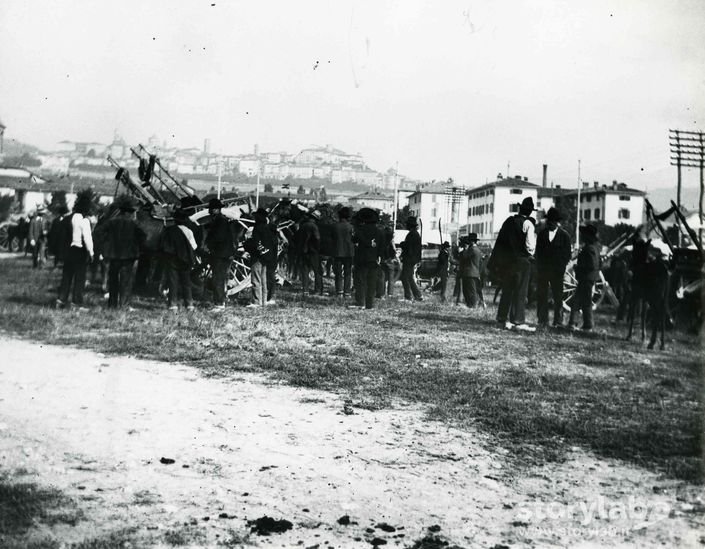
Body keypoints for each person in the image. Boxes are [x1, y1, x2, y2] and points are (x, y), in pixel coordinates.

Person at [488, 196, 536, 331]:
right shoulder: (528, 224)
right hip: (522, 262)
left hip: (508, 261)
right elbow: (530, 246)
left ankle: (501, 319)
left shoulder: (508, 222)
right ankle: (517, 320)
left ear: (520, 208)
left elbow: (500, 243)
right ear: (530, 212)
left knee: (507, 290)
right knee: (520, 291)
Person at [95, 195, 146, 309]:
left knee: (113, 280)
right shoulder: (134, 223)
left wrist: (106, 243)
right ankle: (124, 305)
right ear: (129, 212)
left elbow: (98, 232)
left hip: (113, 255)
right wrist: (137, 246)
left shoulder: (112, 222)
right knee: (126, 281)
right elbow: (143, 236)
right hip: (129, 256)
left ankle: (112, 305)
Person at [535, 207, 572, 327]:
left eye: (553, 221)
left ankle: (558, 321)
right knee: (542, 295)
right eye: (549, 221)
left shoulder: (565, 236)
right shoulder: (542, 235)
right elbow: (538, 253)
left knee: (558, 296)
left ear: (557, 222)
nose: (550, 223)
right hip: (543, 271)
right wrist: (539, 267)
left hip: (557, 272)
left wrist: (561, 266)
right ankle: (542, 320)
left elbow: (567, 255)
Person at [57, 193, 94, 309]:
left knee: (66, 276)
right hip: (80, 251)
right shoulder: (85, 220)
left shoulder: (68, 218)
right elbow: (87, 238)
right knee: (79, 278)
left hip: (69, 251)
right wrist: (91, 252)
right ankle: (76, 303)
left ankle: (60, 300)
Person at [159, 208, 197, 311]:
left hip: (172, 260)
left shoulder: (169, 230)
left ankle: (173, 305)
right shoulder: (188, 231)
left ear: (174, 220)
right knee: (186, 283)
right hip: (185, 261)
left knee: (173, 282)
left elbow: (163, 246)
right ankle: (189, 305)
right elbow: (194, 246)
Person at [205, 198, 236, 310]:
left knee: (218, 278)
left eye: (211, 209)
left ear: (216, 210)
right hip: (225, 254)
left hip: (220, 254)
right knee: (221, 278)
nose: (210, 211)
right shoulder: (221, 220)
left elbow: (218, 237)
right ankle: (220, 301)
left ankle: (219, 303)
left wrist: (209, 245)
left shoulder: (219, 221)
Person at [568, 224, 601, 332]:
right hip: (588, 278)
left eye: (583, 235)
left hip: (586, 278)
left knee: (583, 301)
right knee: (579, 301)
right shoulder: (594, 248)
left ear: (588, 236)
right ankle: (575, 323)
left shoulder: (590, 248)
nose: (582, 236)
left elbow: (591, 265)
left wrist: (578, 267)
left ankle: (586, 325)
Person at [352, 208, 385, 309]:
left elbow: (353, 239)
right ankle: (369, 304)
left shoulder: (359, 230)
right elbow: (382, 247)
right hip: (374, 260)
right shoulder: (380, 232)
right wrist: (379, 257)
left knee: (361, 281)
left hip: (361, 259)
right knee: (372, 282)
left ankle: (361, 302)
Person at [244, 208, 277, 307]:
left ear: (259, 217)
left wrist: (247, 245)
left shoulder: (257, 228)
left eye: (256, 216)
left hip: (257, 257)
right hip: (266, 257)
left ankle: (256, 301)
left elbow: (257, 243)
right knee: (263, 280)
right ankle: (263, 301)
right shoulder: (267, 228)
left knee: (255, 280)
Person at [298, 210, 323, 296]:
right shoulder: (314, 226)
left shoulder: (303, 226)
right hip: (313, 251)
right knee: (317, 271)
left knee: (305, 270)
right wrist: (318, 248)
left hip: (304, 251)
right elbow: (317, 238)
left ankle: (305, 290)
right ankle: (318, 290)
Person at [332, 206, 354, 298]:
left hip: (337, 251)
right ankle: (347, 292)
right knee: (348, 272)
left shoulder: (335, 226)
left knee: (338, 272)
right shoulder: (351, 227)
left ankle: (339, 291)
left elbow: (332, 238)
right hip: (349, 252)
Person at [400, 216, 423, 301]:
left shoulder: (411, 234)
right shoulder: (416, 234)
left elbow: (409, 247)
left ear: (410, 225)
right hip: (413, 259)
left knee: (404, 277)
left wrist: (403, 244)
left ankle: (408, 296)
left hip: (409, 259)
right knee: (409, 277)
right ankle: (418, 295)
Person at [458, 233, 483, 307]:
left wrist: (462, 250)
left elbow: (464, 257)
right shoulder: (478, 250)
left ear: (472, 241)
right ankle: (471, 304)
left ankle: (472, 305)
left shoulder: (472, 249)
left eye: (469, 241)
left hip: (469, 273)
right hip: (475, 273)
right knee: (471, 290)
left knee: (470, 290)